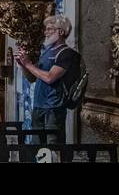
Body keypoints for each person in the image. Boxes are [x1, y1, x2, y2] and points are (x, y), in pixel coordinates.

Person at [13, 14, 80, 145]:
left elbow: (50, 78)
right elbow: (32, 78)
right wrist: (23, 65)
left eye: (50, 29)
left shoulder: (67, 54)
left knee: (53, 147)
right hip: (38, 106)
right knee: (37, 148)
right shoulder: (46, 53)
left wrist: (28, 64)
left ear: (61, 32)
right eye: (46, 29)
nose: (46, 32)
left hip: (53, 108)